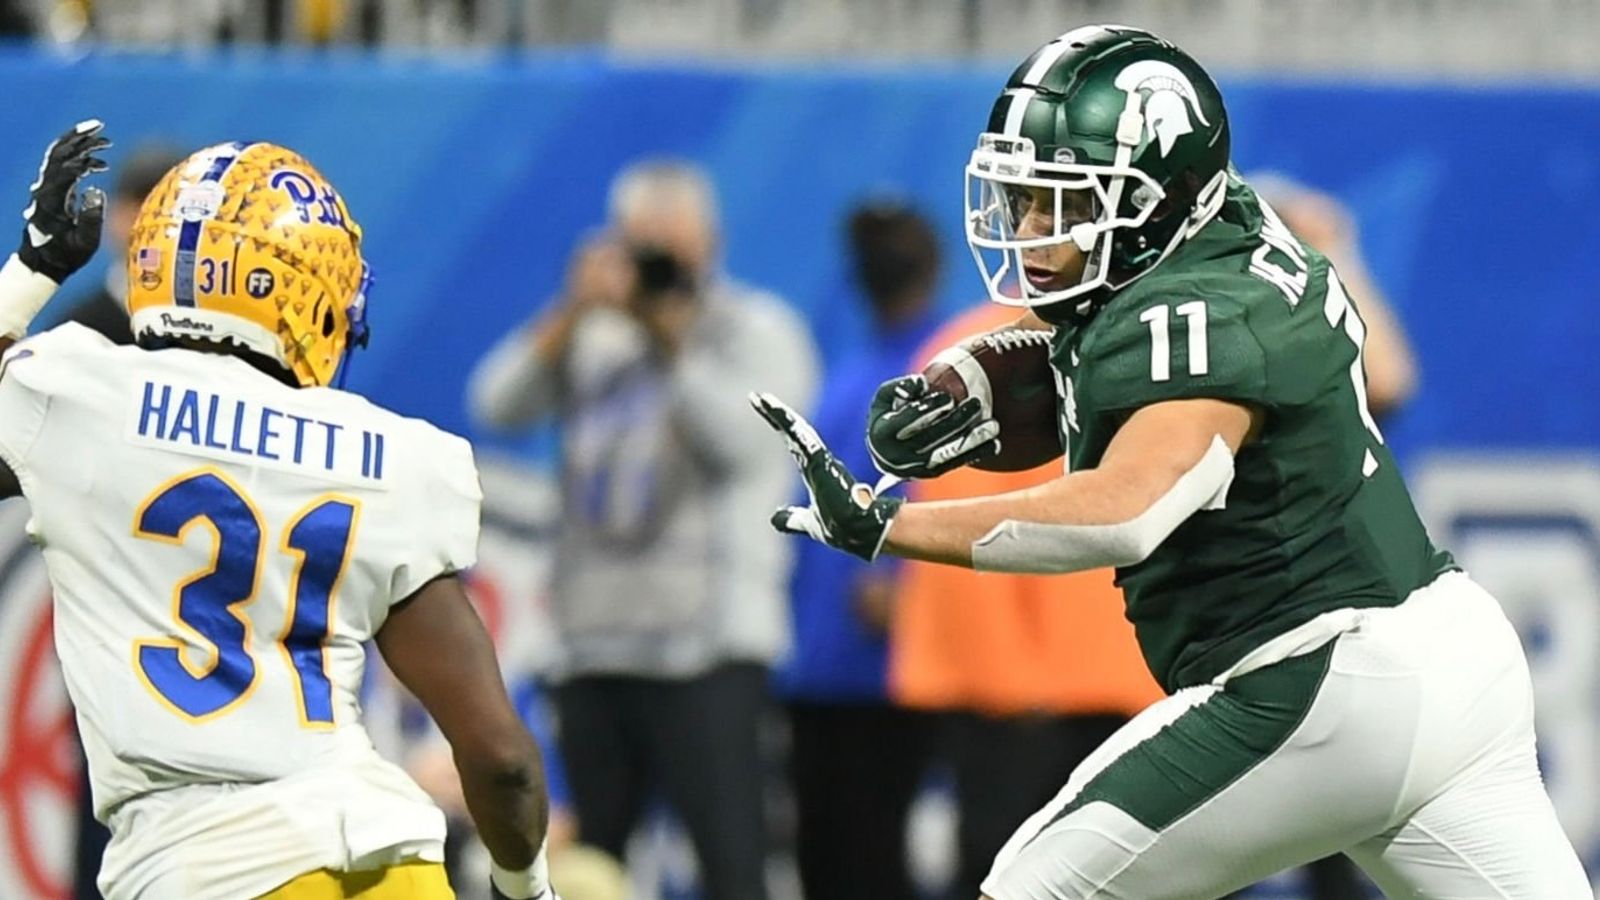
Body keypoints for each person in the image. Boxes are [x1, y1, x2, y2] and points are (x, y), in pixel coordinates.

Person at [749, 25, 1590, 900]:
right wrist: (969, 375)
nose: (1031, 231)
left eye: (1063, 204)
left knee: (1033, 890)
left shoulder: (1198, 322)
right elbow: (1106, 325)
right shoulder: (1231, 225)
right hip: (1452, 657)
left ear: (1152, 202)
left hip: (1319, 677)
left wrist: (895, 523)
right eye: (1024, 198)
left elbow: (1128, 507)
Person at [0, 123, 556, 900]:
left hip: (196, 867)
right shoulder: (391, 456)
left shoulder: (79, 394)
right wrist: (526, 889)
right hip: (388, 859)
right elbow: (502, 758)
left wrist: (30, 269)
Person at [468, 159, 818, 900]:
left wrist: (672, 342)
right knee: (590, 873)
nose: (657, 264)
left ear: (712, 242)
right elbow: (495, 404)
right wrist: (570, 312)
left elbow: (747, 444)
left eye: (673, 247)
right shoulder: (592, 333)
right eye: (641, 246)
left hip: (708, 651)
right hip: (595, 648)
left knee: (731, 866)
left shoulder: (756, 329)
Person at [890, 301, 1163, 900]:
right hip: (1029, 711)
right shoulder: (981, 354)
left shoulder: (1158, 334)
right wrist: (1012, 688)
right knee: (1011, 876)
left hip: (1133, 693)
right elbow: (963, 532)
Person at [779, 199, 944, 900]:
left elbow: (969, 481)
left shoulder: (950, 360)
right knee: (824, 857)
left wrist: (912, 580)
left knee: (878, 857)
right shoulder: (853, 365)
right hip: (819, 657)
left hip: (894, 666)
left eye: (893, 244)